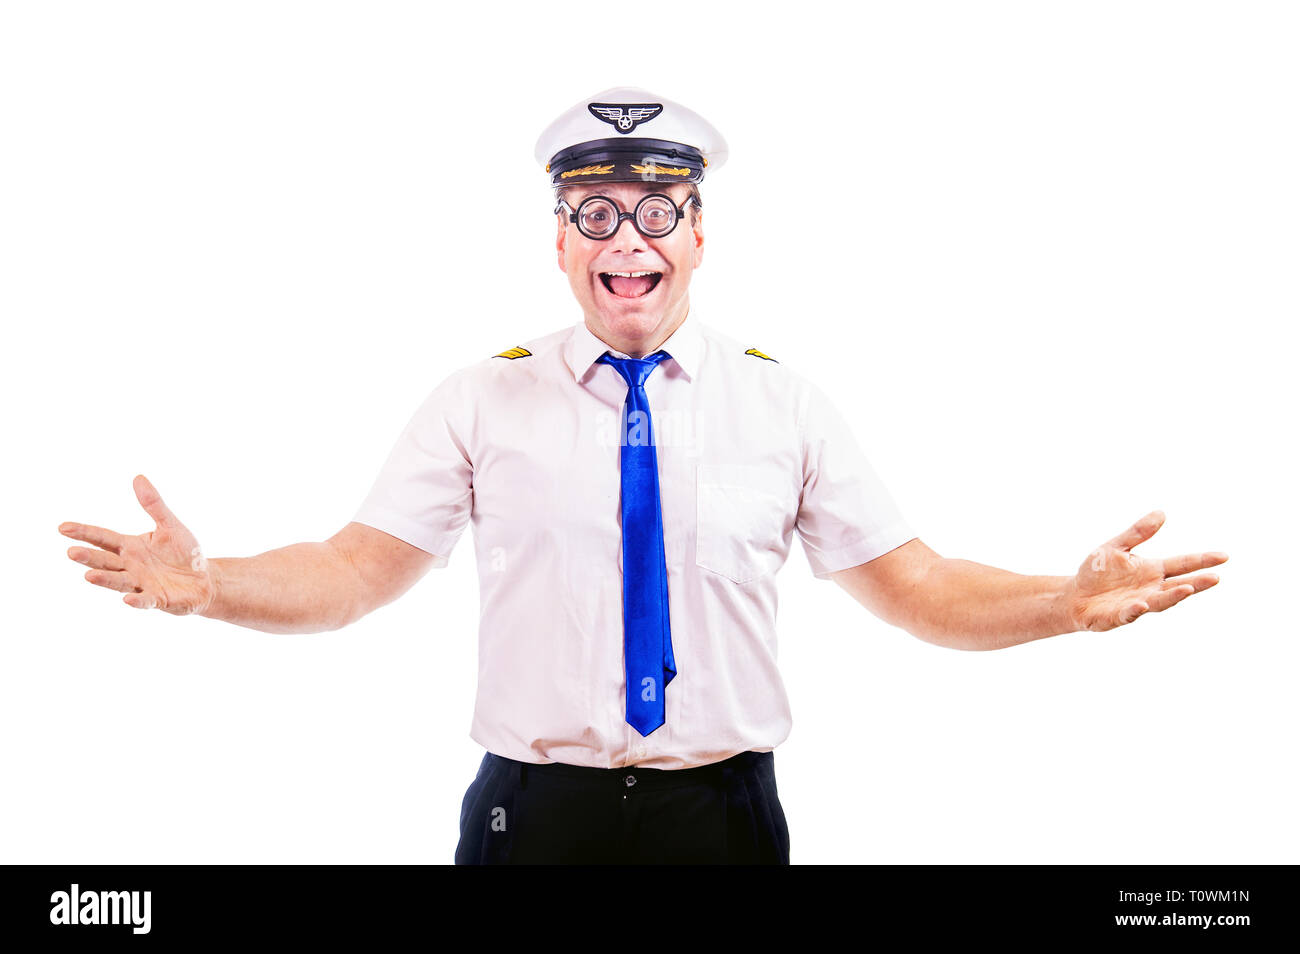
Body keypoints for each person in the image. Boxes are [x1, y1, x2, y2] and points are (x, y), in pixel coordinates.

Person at [57, 86, 1228, 865]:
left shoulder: (784, 404)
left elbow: (918, 589)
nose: (629, 240)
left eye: (658, 209)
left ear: (699, 234)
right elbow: (352, 571)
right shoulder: (480, 398)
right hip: (530, 814)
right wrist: (215, 588)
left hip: (720, 818)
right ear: (559, 241)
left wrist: (1061, 608)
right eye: (596, 212)